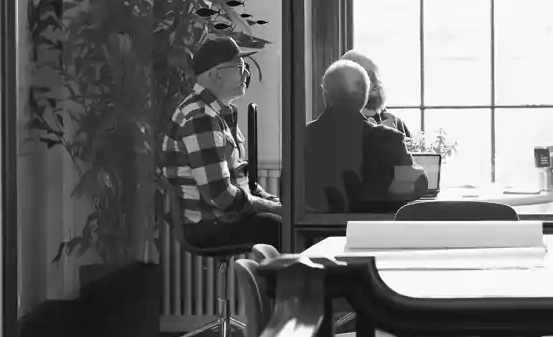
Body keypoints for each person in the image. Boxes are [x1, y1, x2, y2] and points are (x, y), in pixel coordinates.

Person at [164, 37, 282, 250]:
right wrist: (270, 207)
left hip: (222, 218)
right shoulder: (200, 118)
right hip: (208, 224)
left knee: (287, 222)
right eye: (240, 67)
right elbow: (222, 196)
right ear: (216, 75)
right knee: (285, 229)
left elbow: (241, 180)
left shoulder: (216, 112)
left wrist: (274, 202)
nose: (246, 74)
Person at [302, 58, 421, 212]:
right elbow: (417, 185)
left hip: (313, 234)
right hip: (372, 233)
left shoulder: (301, 137)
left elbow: (287, 194)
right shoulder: (389, 139)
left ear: (325, 93)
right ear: (364, 97)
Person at [341, 48, 413, 139]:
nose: (377, 81)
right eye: (369, 75)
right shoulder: (337, 127)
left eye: (377, 75)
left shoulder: (397, 124)